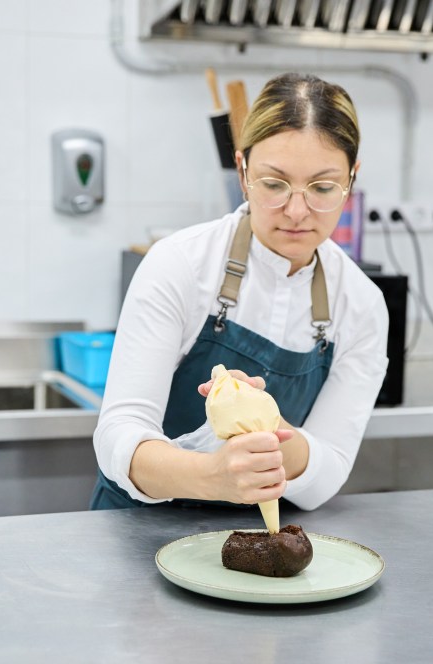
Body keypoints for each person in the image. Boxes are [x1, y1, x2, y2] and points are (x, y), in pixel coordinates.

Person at [90, 72, 389, 511]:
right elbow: (119, 434)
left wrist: (267, 430)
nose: (296, 210)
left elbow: (330, 469)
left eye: (323, 188)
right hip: (135, 539)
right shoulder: (181, 265)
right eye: (274, 184)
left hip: (261, 549)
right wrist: (212, 477)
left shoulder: (361, 305)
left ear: (351, 179)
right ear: (243, 170)